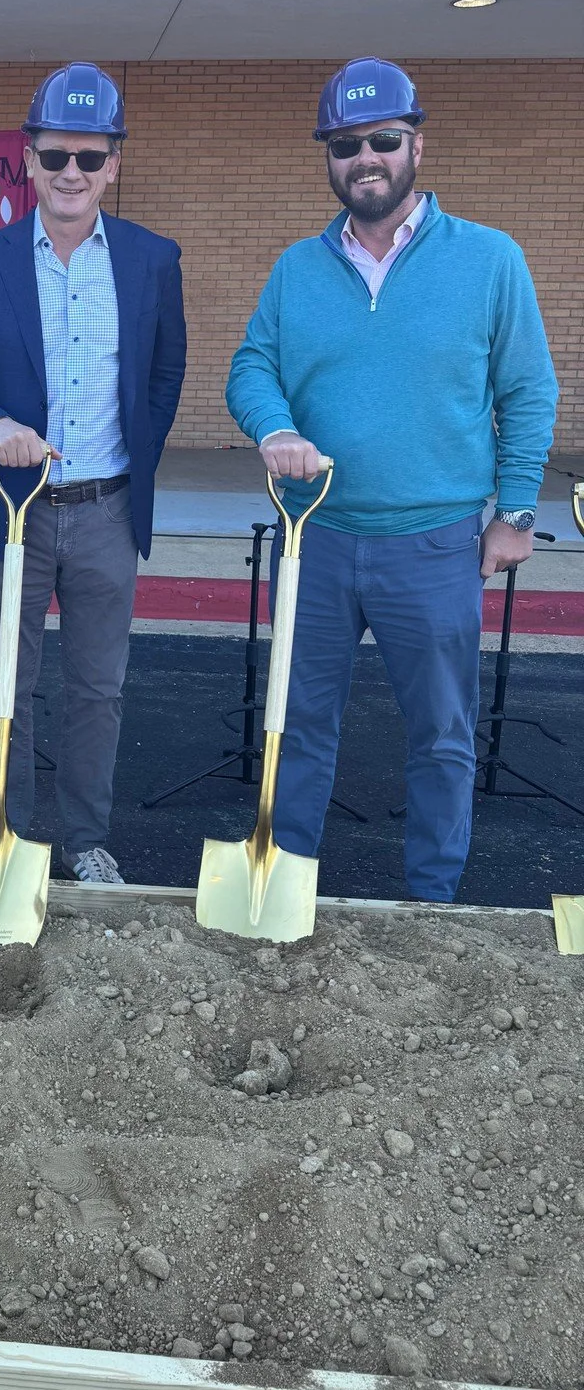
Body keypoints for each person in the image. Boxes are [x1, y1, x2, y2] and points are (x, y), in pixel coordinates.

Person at [227, 56, 558, 902]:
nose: (364, 158)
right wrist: (275, 426)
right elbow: (251, 368)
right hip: (319, 539)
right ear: (328, 156)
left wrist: (515, 511)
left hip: (436, 543)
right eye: (346, 144)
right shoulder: (299, 268)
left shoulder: (489, 260)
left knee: (443, 735)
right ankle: (282, 889)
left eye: (383, 140)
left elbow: (528, 390)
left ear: (416, 144)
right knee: (295, 728)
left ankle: (433, 903)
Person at [0, 63, 187, 885]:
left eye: (88, 156)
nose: (70, 172)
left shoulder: (152, 260)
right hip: (14, 509)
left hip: (108, 508)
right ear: (28, 160)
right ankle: (7, 841)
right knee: (4, 684)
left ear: (114, 162)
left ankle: (84, 843)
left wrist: (131, 466)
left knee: (98, 690)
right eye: (54, 156)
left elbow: (163, 376)